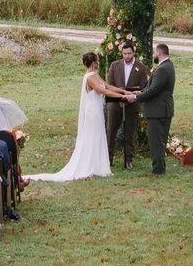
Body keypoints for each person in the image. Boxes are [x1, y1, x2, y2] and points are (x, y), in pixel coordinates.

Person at [34, 51, 126, 183]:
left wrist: (123, 90)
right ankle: (90, 165)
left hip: (98, 111)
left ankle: (97, 164)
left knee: (99, 135)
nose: (98, 63)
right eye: (97, 61)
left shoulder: (95, 75)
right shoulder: (89, 78)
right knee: (92, 136)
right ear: (94, 63)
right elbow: (103, 91)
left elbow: (107, 86)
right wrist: (122, 97)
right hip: (92, 111)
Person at [137, 41, 177, 174]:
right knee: (159, 140)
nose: (154, 54)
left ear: (159, 53)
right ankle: (159, 167)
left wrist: (137, 97)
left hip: (158, 111)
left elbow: (154, 90)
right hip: (161, 110)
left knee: (156, 141)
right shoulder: (167, 66)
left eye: (155, 52)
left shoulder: (163, 69)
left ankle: (158, 169)